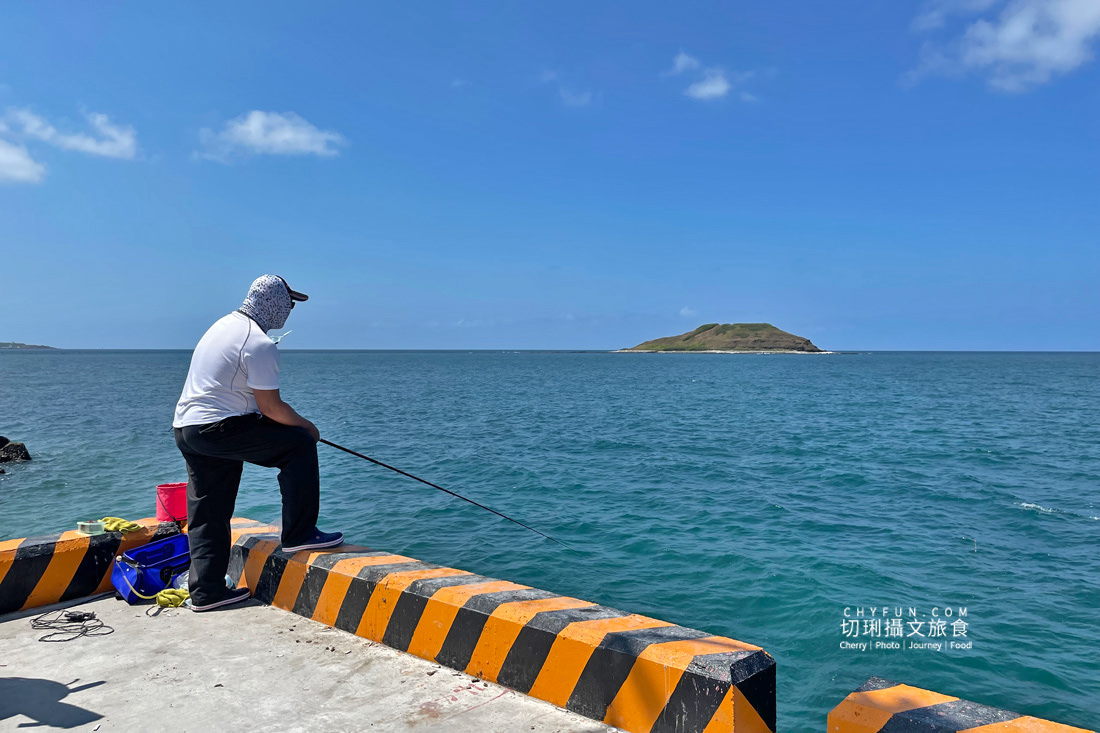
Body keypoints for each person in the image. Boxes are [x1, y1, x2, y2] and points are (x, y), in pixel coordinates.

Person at [172, 274, 343, 611]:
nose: (290, 311)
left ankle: (206, 592)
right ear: (274, 302)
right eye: (289, 304)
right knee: (298, 445)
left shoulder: (223, 326)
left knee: (209, 510)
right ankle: (300, 534)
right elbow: (271, 407)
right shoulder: (258, 342)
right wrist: (308, 427)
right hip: (219, 427)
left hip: (188, 429)